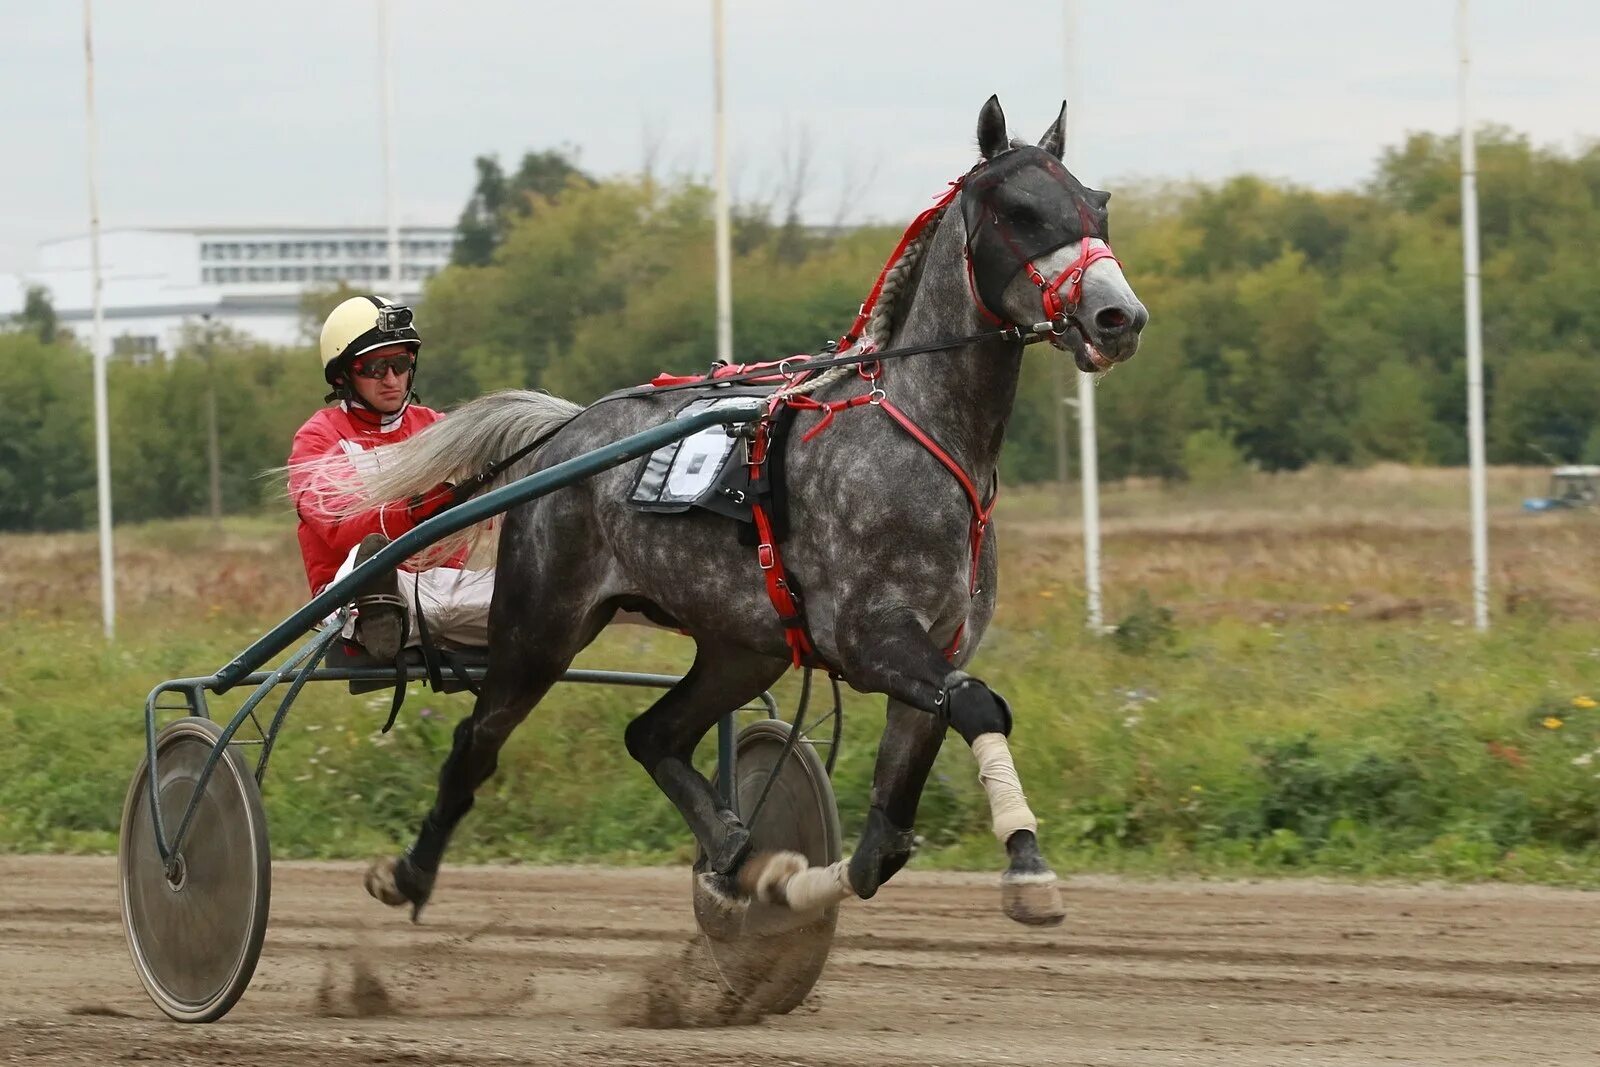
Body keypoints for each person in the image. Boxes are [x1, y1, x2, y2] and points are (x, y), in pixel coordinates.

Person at [287, 295, 495, 660]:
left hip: (445, 590)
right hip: (349, 594)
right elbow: (337, 524)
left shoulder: (437, 428)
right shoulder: (318, 438)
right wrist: (416, 510)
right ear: (342, 375)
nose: (391, 379)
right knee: (372, 571)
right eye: (374, 368)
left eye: (400, 364)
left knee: (538, 590)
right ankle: (382, 609)